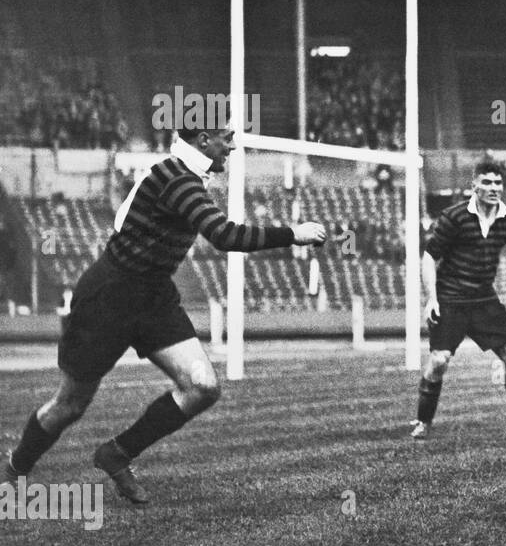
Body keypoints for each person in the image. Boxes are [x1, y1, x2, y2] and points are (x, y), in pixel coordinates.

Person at [3, 127, 327, 503]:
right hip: (109, 297)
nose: (234, 145)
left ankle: (116, 453)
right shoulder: (178, 180)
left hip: (153, 294)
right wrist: (293, 233)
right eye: (227, 137)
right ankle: (16, 469)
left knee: (203, 387)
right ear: (203, 140)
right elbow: (224, 236)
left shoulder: (183, 176)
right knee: (70, 405)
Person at [410, 161, 506, 440]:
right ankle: (423, 422)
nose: (493, 188)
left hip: (483, 298)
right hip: (451, 297)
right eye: (487, 183)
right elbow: (430, 256)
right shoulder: (454, 216)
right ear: (474, 186)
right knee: (439, 360)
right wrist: (431, 298)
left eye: (497, 183)